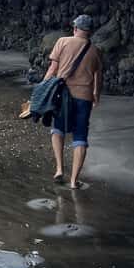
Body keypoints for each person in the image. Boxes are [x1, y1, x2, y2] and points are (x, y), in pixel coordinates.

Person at [43, 14, 103, 189]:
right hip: (84, 97)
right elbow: (98, 78)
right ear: (90, 32)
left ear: (75, 28)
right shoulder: (96, 51)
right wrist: (96, 96)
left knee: (58, 129)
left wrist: (43, 90)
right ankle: (73, 181)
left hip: (63, 95)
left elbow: (52, 70)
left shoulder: (62, 41)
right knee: (80, 137)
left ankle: (60, 168)